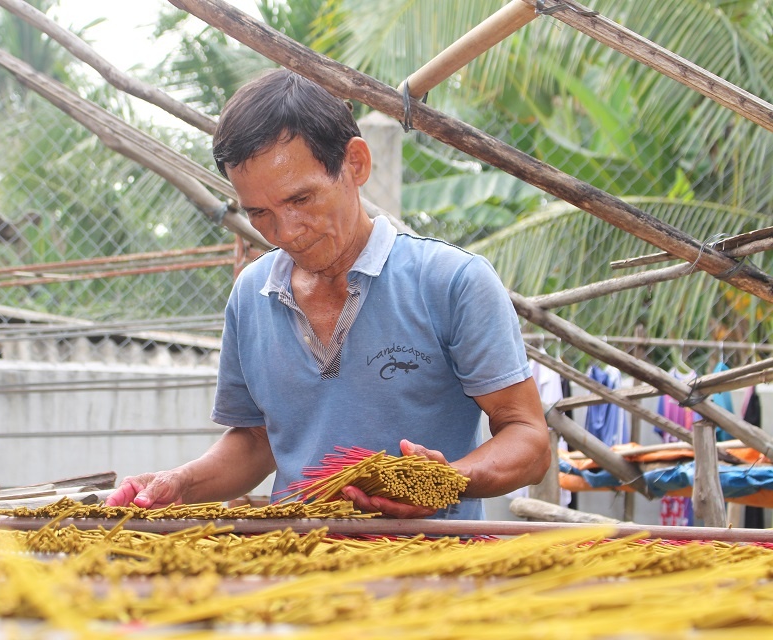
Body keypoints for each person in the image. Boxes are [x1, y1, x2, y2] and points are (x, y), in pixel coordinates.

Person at [106, 69, 550, 519]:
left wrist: (448, 480)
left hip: (428, 573)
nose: (286, 232)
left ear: (355, 164)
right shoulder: (250, 296)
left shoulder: (452, 282)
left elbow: (528, 439)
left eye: (301, 199)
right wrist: (182, 483)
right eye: (260, 213)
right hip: (299, 568)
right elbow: (259, 441)